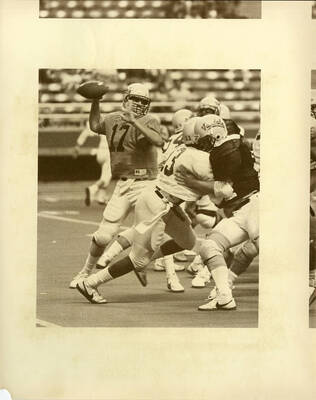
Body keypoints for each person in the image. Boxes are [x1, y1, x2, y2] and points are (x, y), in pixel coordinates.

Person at [75, 116, 228, 304]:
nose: (213, 142)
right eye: (208, 138)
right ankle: (90, 283)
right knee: (138, 261)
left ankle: (144, 256)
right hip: (158, 206)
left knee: (187, 241)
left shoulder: (183, 149)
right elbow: (221, 188)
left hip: (161, 201)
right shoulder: (198, 158)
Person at [69, 83, 163, 293]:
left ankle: (148, 265)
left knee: (151, 231)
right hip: (123, 184)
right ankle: (85, 272)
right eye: (135, 99)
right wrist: (95, 102)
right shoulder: (112, 118)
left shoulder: (149, 120)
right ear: (125, 99)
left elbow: (158, 140)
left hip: (147, 184)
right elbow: (95, 125)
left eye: (143, 101)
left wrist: (136, 123)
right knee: (103, 236)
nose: (139, 104)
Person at [176, 114, 259, 310]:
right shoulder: (231, 144)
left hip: (255, 206)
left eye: (204, 139)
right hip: (241, 211)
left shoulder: (223, 151)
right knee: (209, 246)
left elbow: (224, 191)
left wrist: (192, 183)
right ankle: (224, 296)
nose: (202, 144)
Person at [73, 121, 112, 206]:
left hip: (100, 152)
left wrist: (78, 145)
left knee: (104, 175)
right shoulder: (116, 124)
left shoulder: (103, 124)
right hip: (108, 153)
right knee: (106, 178)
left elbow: (86, 132)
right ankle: (93, 189)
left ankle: (101, 197)